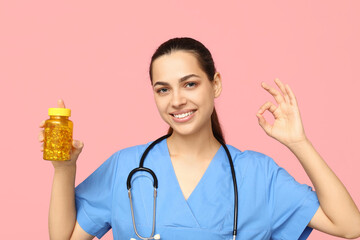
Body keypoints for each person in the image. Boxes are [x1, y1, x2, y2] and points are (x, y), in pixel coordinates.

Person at [39, 37, 360, 240]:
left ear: (215, 84)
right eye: (163, 89)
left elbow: (350, 226)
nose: (176, 99)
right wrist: (64, 170)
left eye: (190, 84)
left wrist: (298, 143)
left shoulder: (258, 175)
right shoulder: (127, 166)